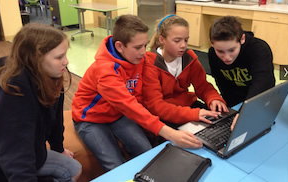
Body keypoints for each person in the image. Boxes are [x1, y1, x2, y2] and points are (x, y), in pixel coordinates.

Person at [71, 15, 205, 172]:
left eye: (145, 45)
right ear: (120, 47)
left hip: (117, 115)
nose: (143, 52)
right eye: (137, 47)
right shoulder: (105, 70)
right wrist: (170, 133)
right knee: (115, 165)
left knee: (148, 154)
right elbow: (129, 106)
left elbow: (142, 98)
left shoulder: (139, 59)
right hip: (91, 119)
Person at [0, 23, 81, 182]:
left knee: (75, 169)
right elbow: (14, 151)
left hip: (35, 151)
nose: (66, 62)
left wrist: (58, 148)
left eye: (65, 55)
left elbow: (56, 122)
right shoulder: (14, 91)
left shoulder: (53, 77)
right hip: (3, 165)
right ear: (35, 58)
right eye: (59, 57)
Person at [142, 14, 228, 130]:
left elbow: (203, 86)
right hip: (164, 115)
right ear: (162, 39)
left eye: (186, 40)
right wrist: (194, 114)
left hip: (188, 107)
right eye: (177, 41)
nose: (183, 45)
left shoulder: (189, 58)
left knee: (220, 125)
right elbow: (156, 106)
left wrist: (214, 98)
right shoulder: (149, 63)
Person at [208, 16, 275, 107]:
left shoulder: (259, 49)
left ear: (242, 39)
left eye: (232, 50)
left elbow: (262, 83)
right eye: (220, 51)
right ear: (212, 43)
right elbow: (222, 84)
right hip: (235, 102)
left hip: (262, 100)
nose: (227, 57)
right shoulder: (212, 54)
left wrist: (244, 111)